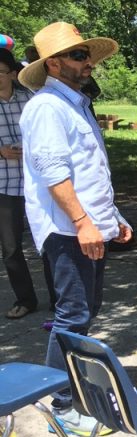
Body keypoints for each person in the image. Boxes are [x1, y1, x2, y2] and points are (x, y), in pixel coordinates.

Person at [19, 22, 132, 436]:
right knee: (73, 314)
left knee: (84, 312)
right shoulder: (47, 107)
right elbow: (54, 173)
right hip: (68, 230)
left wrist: (110, 218)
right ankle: (63, 406)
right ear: (53, 63)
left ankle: (75, 394)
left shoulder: (74, 102)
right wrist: (84, 222)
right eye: (79, 56)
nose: (88, 63)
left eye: (87, 55)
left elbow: (90, 170)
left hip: (84, 226)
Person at [0, 48, 41, 319]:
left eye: (1, 73)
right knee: (11, 248)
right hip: (4, 187)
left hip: (36, 184)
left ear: (13, 74)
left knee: (48, 242)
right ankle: (26, 299)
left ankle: (62, 298)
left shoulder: (31, 100)